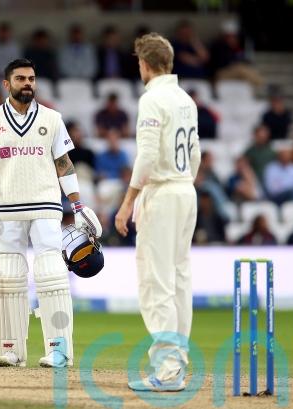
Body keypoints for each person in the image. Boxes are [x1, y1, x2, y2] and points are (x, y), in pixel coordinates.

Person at [0, 58, 102, 368]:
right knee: (9, 277)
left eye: (31, 78)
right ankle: (12, 350)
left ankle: (59, 350)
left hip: (46, 206)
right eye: (20, 78)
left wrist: (78, 204)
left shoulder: (52, 119)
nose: (27, 83)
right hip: (7, 209)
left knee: (51, 275)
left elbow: (64, 163)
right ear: (7, 84)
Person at [114, 33, 200, 392]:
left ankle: (167, 370)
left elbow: (147, 156)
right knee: (179, 281)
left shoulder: (152, 99)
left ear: (145, 64)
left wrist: (128, 202)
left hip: (163, 193)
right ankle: (176, 363)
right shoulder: (185, 99)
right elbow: (195, 154)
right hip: (185, 190)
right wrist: (183, 184)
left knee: (157, 283)